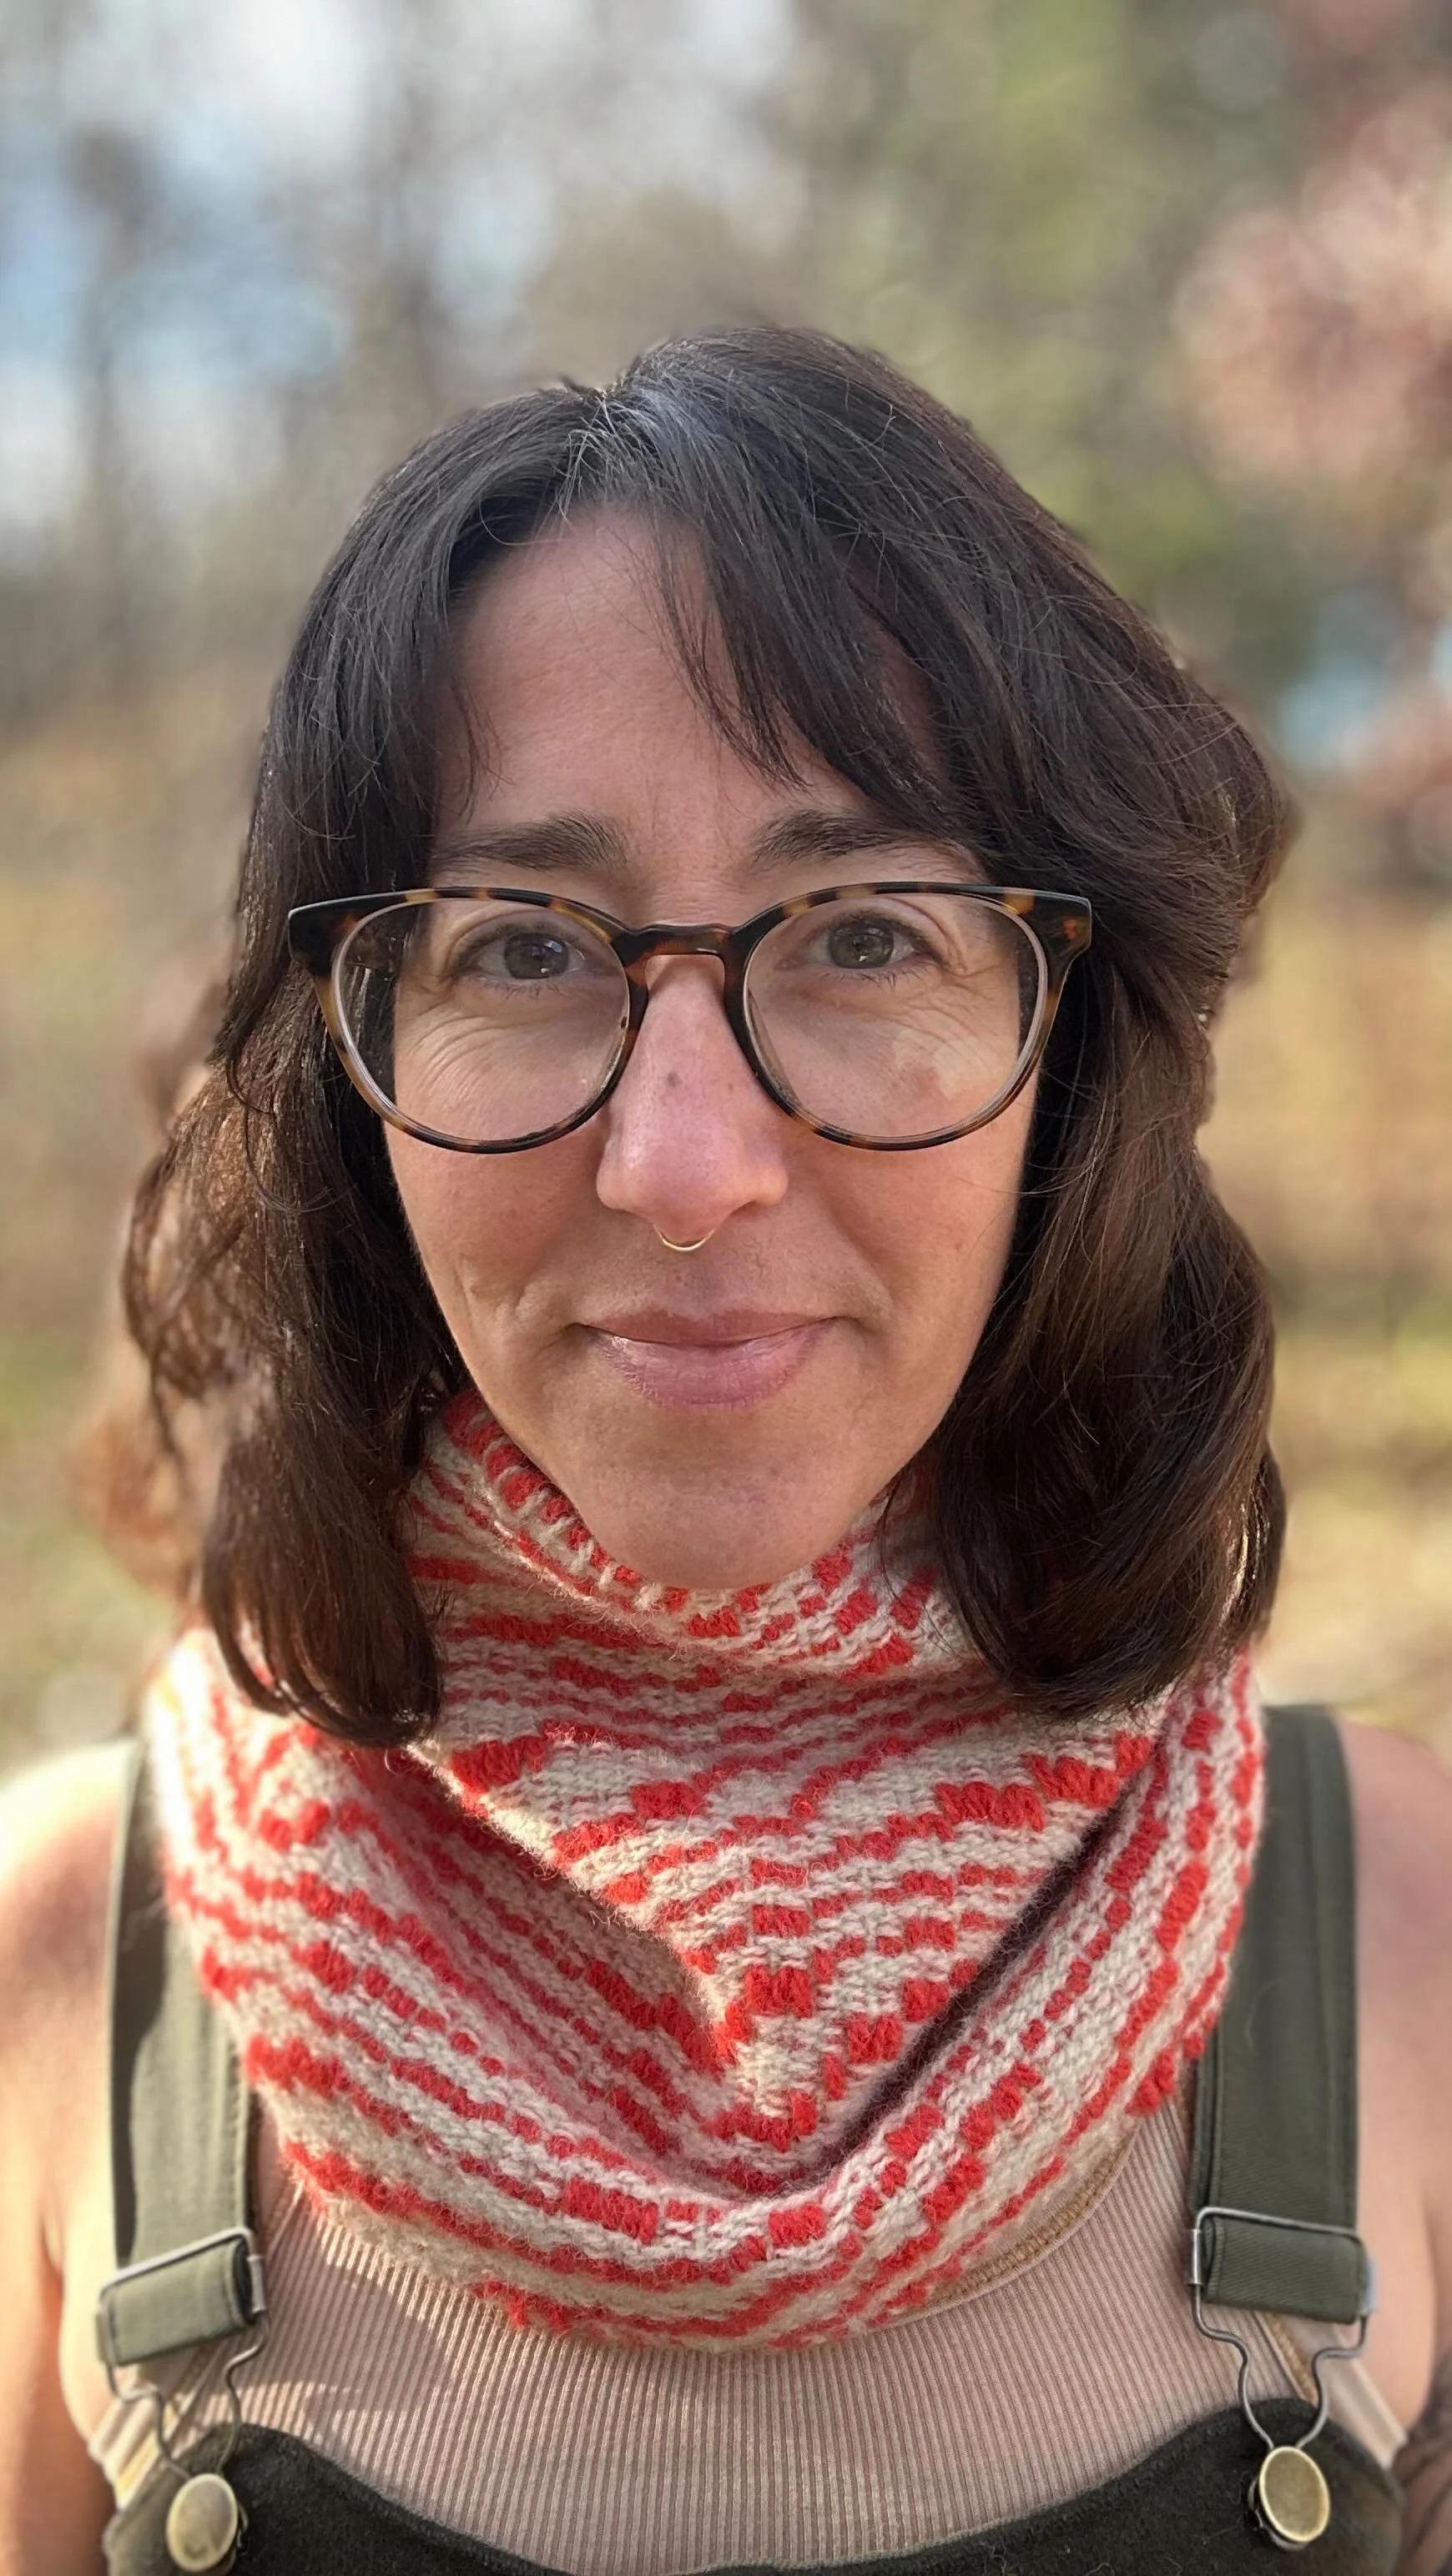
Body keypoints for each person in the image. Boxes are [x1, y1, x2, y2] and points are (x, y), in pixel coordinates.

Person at [1, 325, 1449, 2576]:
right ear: (350, 1077)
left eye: (863, 934)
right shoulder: (59, 1972)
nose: (685, 1162)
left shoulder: (1403, 1949)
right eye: (521, 951)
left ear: (1074, 1062)